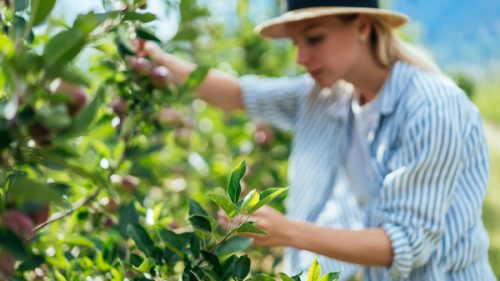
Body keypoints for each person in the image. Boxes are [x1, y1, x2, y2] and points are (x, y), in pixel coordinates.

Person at [136, 0, 496, 280]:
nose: (300, 57)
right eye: (295, 42)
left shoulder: (429, 107)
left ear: (363, 26)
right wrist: (156, 61)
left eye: (314, 38)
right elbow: (236, 94)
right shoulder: (327, 97)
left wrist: (285, 231)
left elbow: (403, 244)